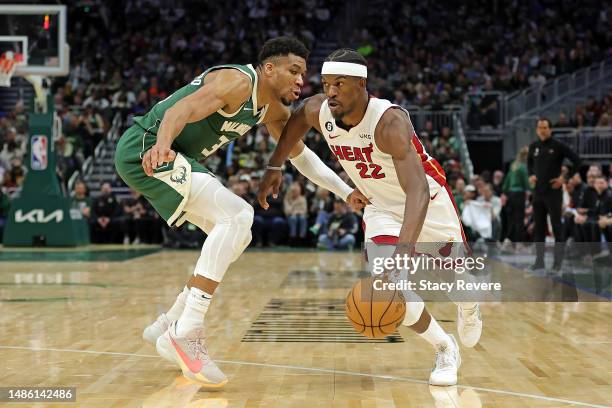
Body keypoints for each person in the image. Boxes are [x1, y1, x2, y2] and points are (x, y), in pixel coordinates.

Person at [114, 37, 368, 387]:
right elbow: (177, 111)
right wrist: (161, 147)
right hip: (146, 147)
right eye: (293, 71)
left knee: (238, 233)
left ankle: (169, 323)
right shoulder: (237, 81)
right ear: (268, 68)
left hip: (172, 156)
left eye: (303, 74)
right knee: (237, 215)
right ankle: (186, 329)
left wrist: (344, 191)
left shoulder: (272, 110)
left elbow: (301, 156)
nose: (301, 81)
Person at [257, 49, 482, 386]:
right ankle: (445, 347)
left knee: (457, 285)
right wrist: (275, 165)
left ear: (361, 84)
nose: (330, 91)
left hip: (427, 204)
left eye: (339, 84)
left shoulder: (388, 121)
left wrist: (403, 255)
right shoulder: (320, 109)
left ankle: (469, 304)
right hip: (380, 209)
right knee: (390, 290)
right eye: (326, 84)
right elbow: (295, 123)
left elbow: (417, 192)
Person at [527, 117, 580, 270]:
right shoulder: (533, 146)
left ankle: (557, 264)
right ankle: (539, 262)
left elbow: (577, 161)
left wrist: (564, 178)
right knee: (539, 229)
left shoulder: (558, 146)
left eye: (545, 127)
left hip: (553, 193)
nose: (542, 130)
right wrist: (530, 175)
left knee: (557, 228)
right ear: (537, 130)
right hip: (538, 193)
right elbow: (529, 163)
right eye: (540, 128)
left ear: (550, 129)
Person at [502, 147, 531, 244]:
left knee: (512, 219)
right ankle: (519, 244)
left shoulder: (513, 165)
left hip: (510, 194)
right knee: (519, 219)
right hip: (519, 194)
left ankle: (507, 240)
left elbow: (507, 180)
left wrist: (504, 192)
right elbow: (527, 183)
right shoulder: (523, 167)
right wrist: (533, 188)